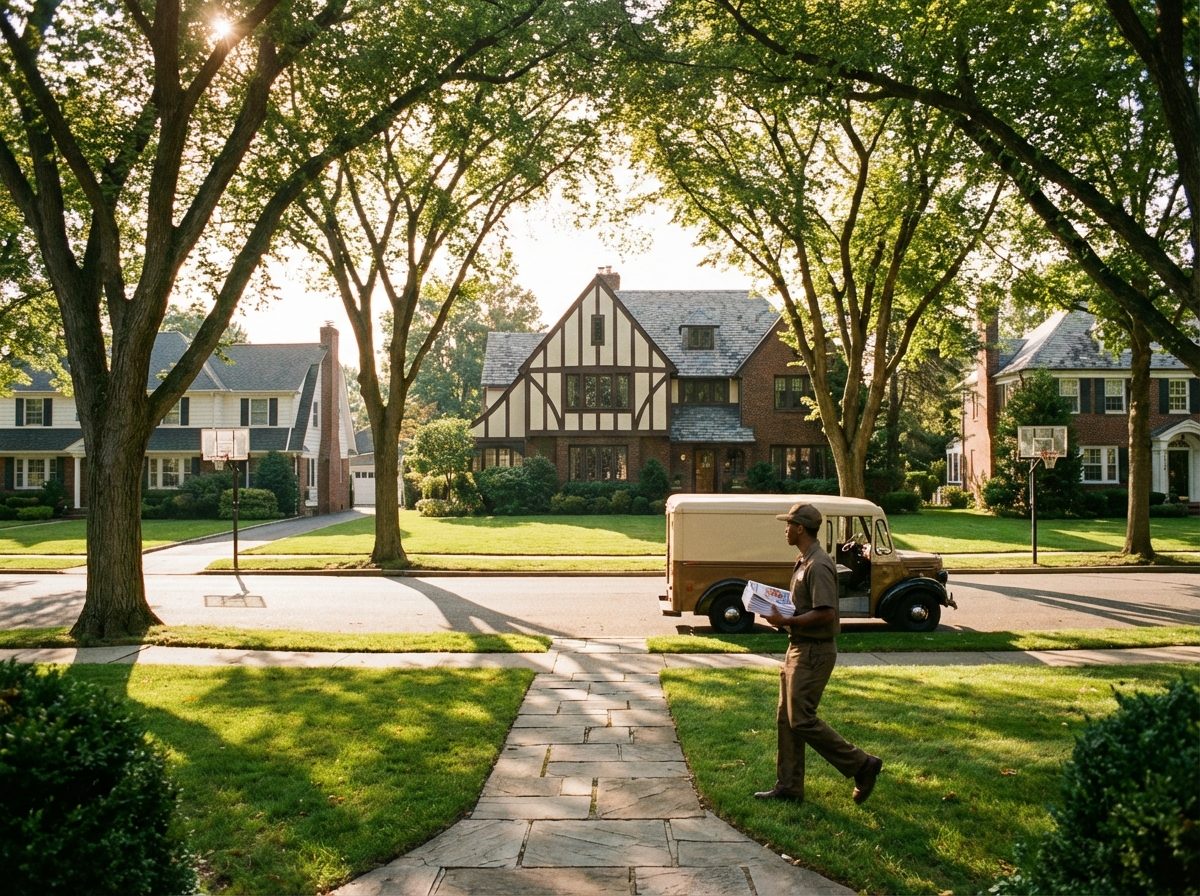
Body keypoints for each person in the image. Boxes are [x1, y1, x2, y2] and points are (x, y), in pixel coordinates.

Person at [754, 501, 883, 805]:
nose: (785, 529)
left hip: (814, 651)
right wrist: (781, 610)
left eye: (788, 524)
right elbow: (807, 606)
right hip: (798, 646)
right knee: (786, 720)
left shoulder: (819, 564)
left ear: (800, 528)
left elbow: (826, 613)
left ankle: (863, 765)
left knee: (801, 719)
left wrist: (786, 619)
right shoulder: (803, 561)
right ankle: (789, 787)